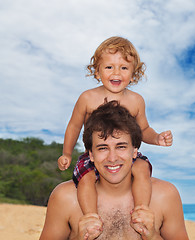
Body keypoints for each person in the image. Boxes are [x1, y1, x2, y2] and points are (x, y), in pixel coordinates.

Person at [57, 36, 173, 219]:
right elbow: (74, 126)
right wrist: (67, 153)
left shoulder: (136, 101)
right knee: (85, 179)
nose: (116, 73)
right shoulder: (87, 98)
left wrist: (157, 138)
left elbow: (143, 130)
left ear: (134, 74)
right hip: (94, 156)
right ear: (97, 72)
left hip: (127, 155)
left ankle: (142, 209)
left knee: (142, 168)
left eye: (124, 68)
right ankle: (90, 216)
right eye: (109, 67)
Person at [41, 101, 188, 239]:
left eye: (121, 147)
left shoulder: (165, 196)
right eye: (103, 148)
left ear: (135, 151)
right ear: (91, 155)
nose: (112, 158)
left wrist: (153, 236)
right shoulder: (65, 198)